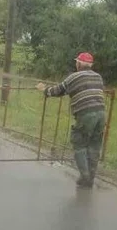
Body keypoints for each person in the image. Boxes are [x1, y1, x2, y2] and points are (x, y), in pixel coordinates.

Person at [36, 52, 106, 188]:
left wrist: (44, 89)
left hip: (86, 114)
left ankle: (85, 176)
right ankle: (91, 177)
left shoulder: (73, 77)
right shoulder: (98, 77)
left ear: (79, 64)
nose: (76, 64)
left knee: (79, 143)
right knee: (94, 146)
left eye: (76, 62)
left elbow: (57, 91)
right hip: (101, 114)